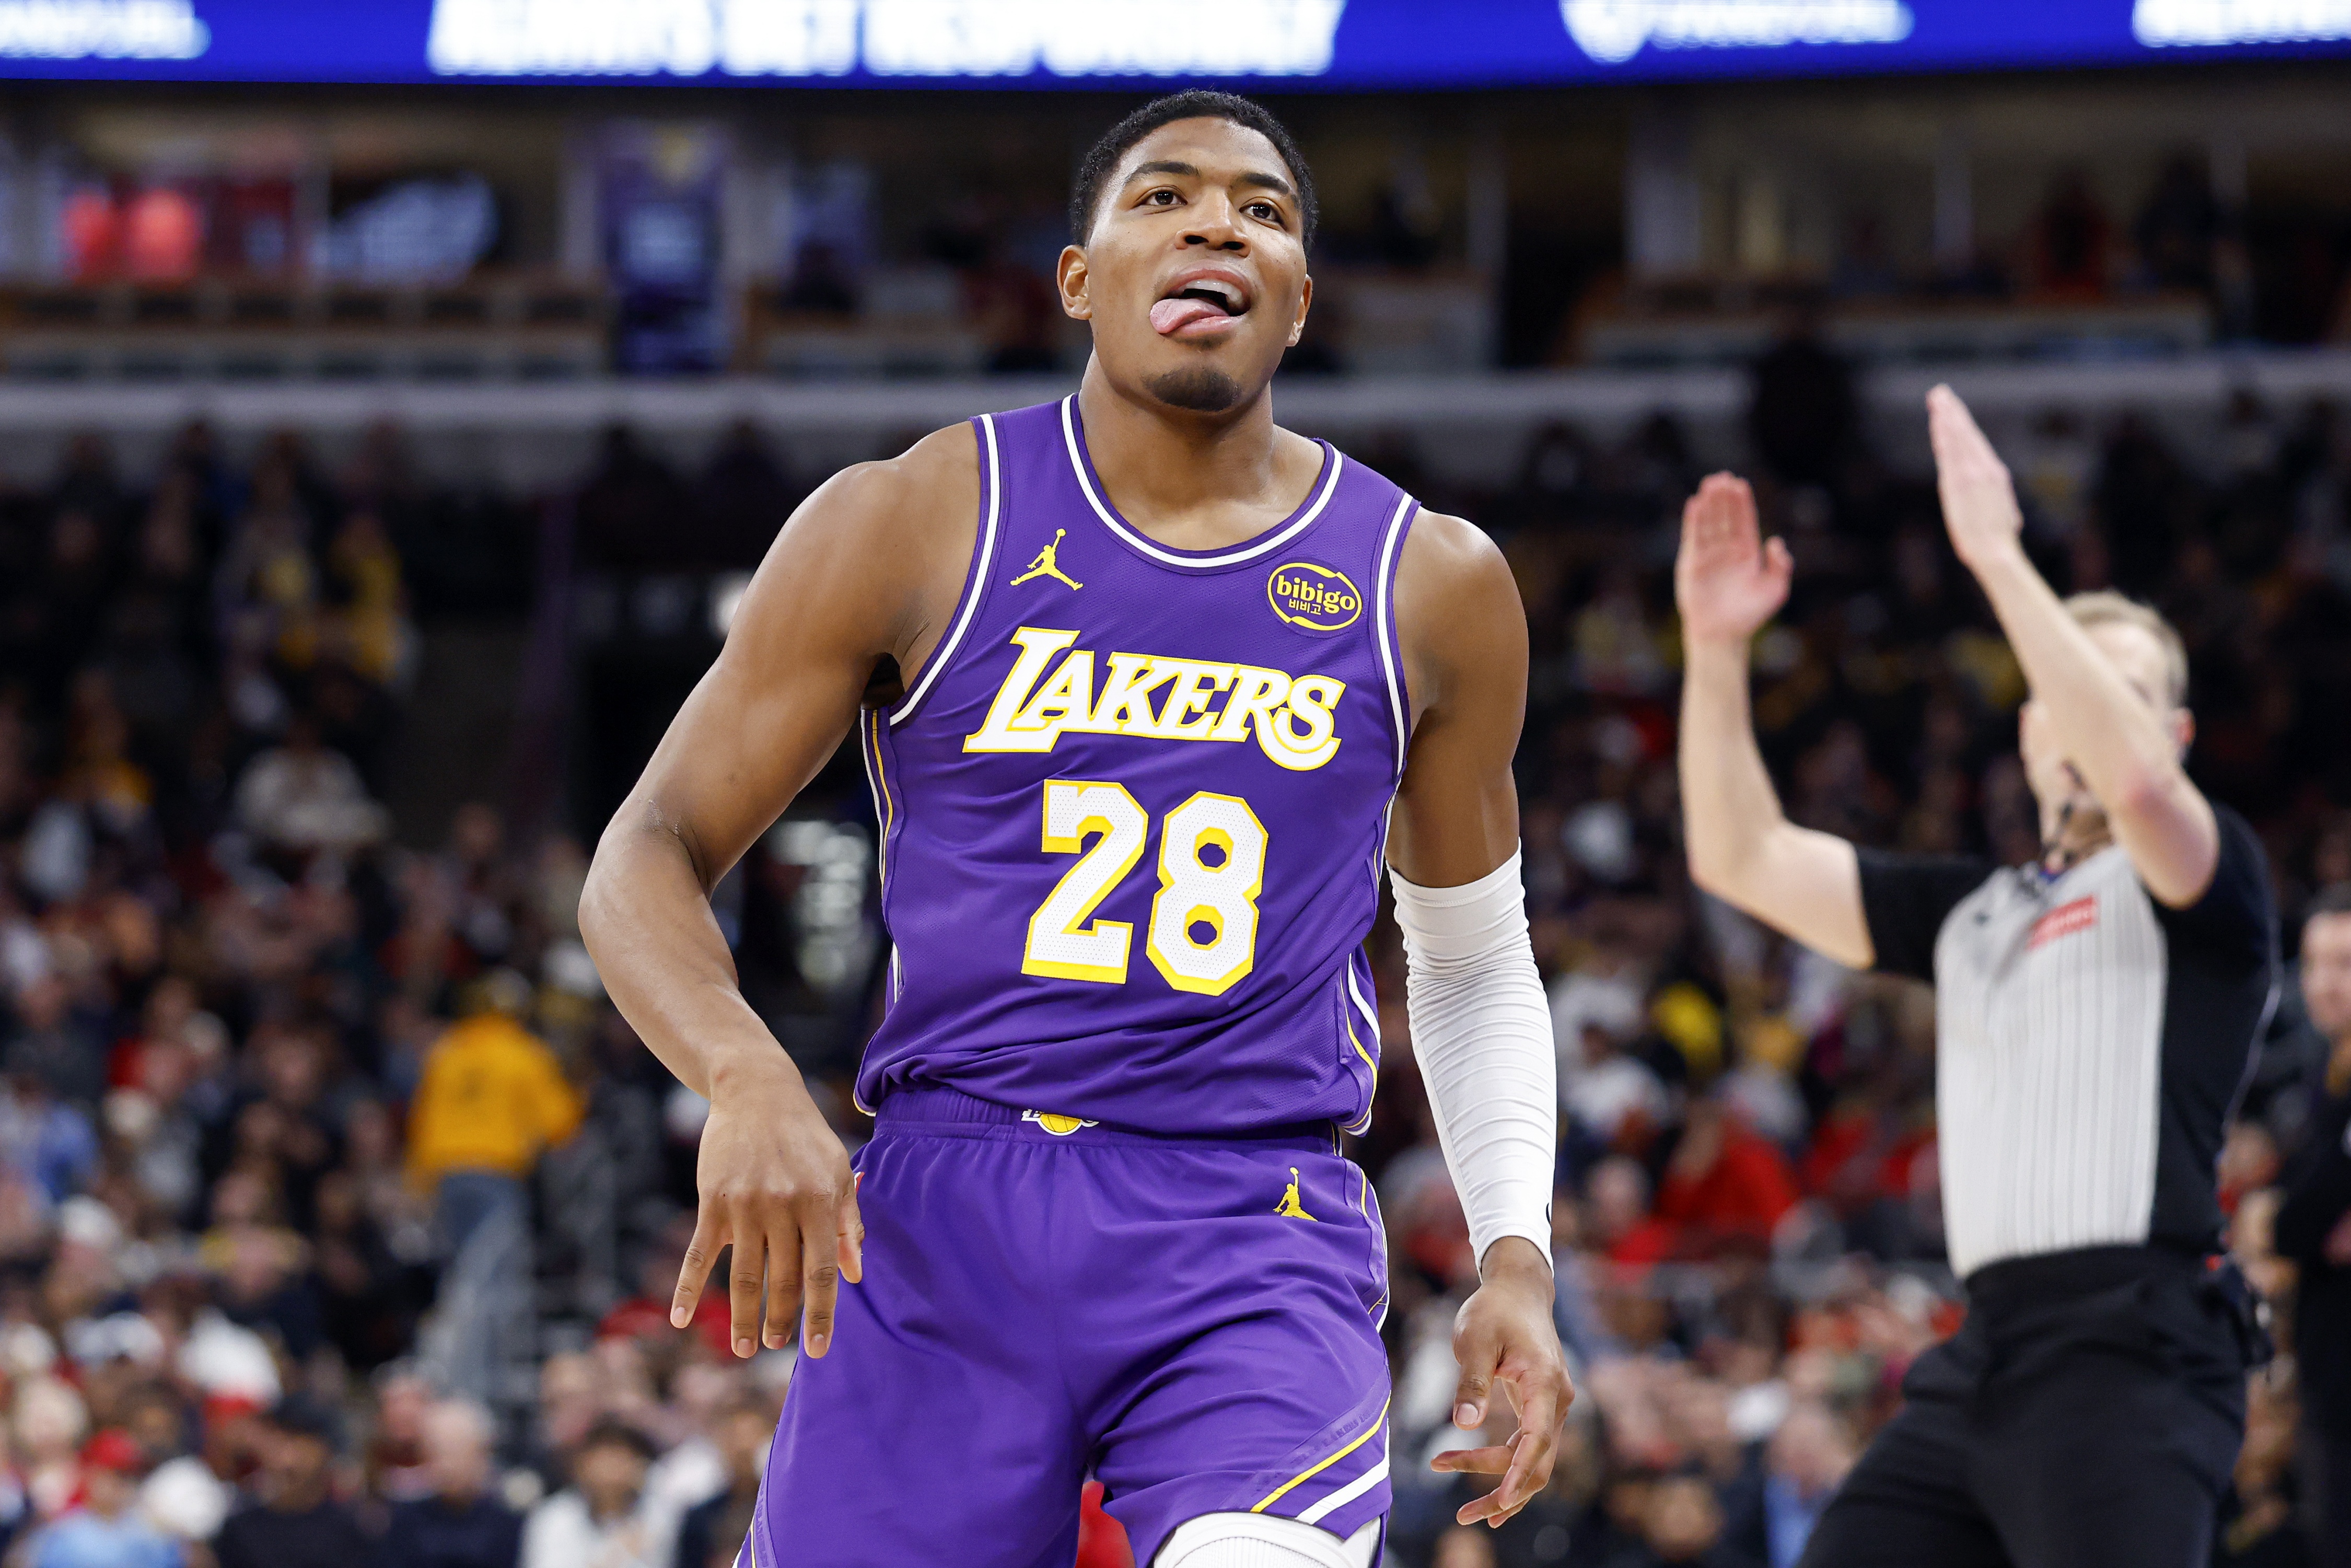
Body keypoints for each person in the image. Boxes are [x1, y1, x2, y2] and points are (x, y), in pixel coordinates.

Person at [579, 90, 1572, 1568]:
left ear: (1298, 301)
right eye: (1163, 197)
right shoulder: (911, 517)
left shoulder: (1428, 580)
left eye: (1262, 211)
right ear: (1077, 278)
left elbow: (1475, 960)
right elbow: (644, 850)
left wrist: (1515, 1253)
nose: (1216, 225)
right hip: (945, 1208)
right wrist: (743, 1071)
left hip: (1248, 1218)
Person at [1674, 385, 2277, 1568]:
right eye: (2067, 692)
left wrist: (1999, 556)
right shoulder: (1969, 910)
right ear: (2030, 732)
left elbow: (2138, 788)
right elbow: (1738, 855)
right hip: (1982, 1351)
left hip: (2134, 1348)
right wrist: (1712, 649)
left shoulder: (2207, 878)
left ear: (2173, 736)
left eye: (2122, 696)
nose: (2088, 718)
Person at [2278, 885, 2351, 1568]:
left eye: (2345, 964)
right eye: (2313, 963)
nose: (2325, 983)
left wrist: (2289, 1226)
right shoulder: (2323, 1079)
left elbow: (2296, 1223)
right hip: (2328, 1372)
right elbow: (2296, 1225)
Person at [211, 1396, 378, 1568]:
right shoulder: (240, 1532)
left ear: (324, 1451)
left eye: (297, 1442)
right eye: (279, 1441)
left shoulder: (352, 1532)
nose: (287, 1460)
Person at [382, 1397, 522, 1568]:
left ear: (481, 1452)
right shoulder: (407, 1523)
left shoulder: (508, 1524)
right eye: (436, 1450)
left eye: (455, 1449)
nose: (446, 1464)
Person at [520, 1420, 663, 1568]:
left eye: (620, 1458)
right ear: (581, 1466)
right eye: (602, 1459)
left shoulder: (658, 1516)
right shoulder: (555, 1518)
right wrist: (616, 1555)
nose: (610, 1470)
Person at [26, 1430, 179, 1568]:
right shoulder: (64, 1534)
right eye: (113, 1474)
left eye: (128, 1475)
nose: (120, 1484)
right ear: (91, 1473)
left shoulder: (152, 1534)